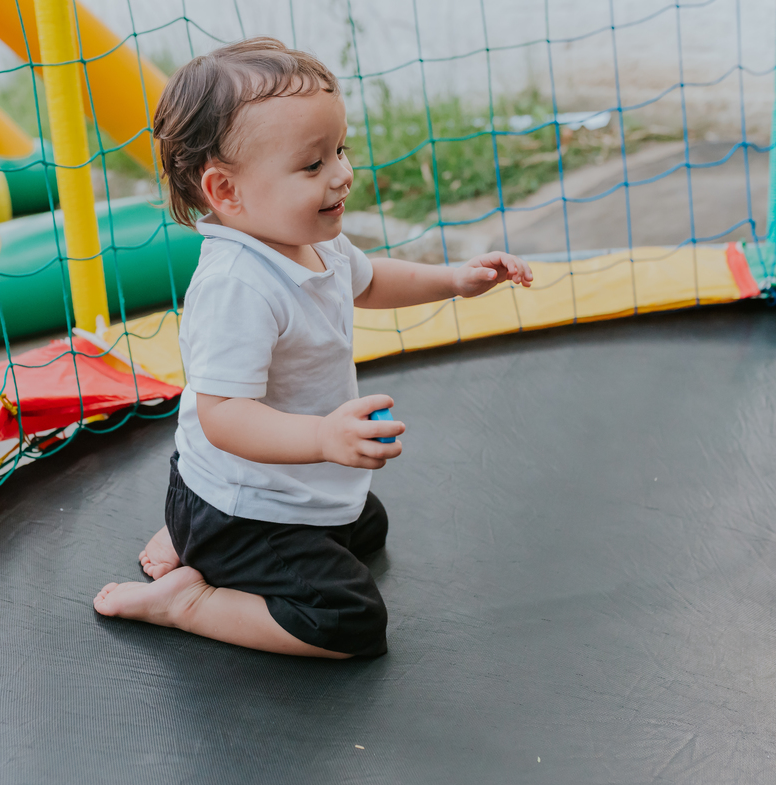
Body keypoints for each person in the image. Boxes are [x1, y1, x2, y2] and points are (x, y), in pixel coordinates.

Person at [93, 37, 532, 658]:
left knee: (368, 526)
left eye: (339, 150)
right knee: (349, 622)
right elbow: (224, 417)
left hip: (279, 484)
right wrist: (324, 439)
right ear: (226, 192)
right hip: (239, 505)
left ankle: (188, 537)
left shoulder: (310, 240)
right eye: (312, 166)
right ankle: (190, 599)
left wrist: (454, 281)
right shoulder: (236, 286)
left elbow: (371, 280)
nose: (342, 174)